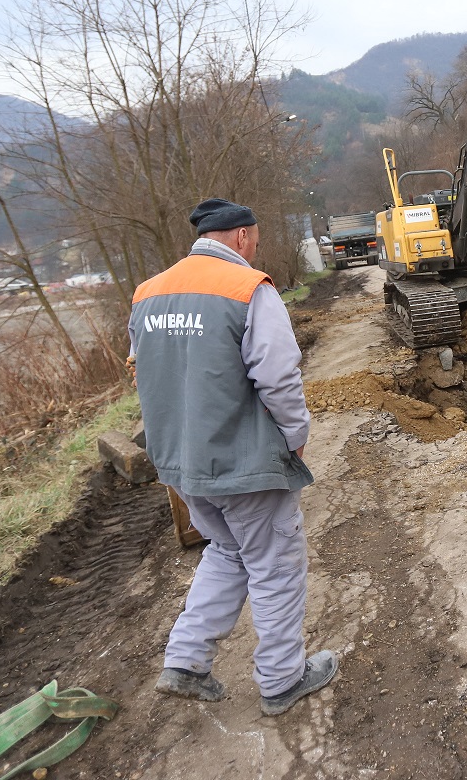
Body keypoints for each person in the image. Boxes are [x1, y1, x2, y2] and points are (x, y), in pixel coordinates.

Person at [129, 197, 339, 716]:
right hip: (243, 463)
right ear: (242, 236)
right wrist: (294, 436)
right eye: (256, 241)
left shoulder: (148, 293)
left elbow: (140, 370)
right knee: (275, 565)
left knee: (227, 551)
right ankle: (283, 680)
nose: (255, 250)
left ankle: (185, 662)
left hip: (182, 464)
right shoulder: (248, 288)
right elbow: (278, 375)